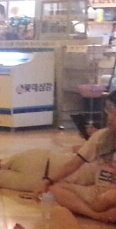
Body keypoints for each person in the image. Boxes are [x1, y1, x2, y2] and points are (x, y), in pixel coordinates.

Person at [41, 92, 116, 222]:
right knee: (56, 189)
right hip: (98, 191)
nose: (110, 117)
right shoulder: (102, 136)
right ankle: (96, 215)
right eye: (109, 111)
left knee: (110, 197)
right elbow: (74, 163)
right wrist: (47, 180)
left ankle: (93, 210)